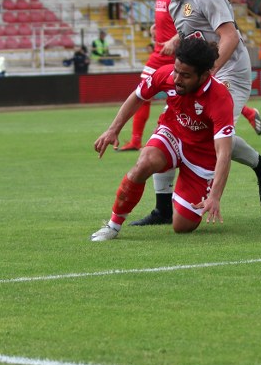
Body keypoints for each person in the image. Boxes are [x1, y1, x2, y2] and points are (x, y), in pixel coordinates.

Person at [131, 0, 261, 225]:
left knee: (215, 137)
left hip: (231, 70)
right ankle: (163, 208)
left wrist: (209, 74)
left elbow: (229, 37)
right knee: (171, 126)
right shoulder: (175, 4)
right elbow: (197, 36)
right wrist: (178, 41)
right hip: (206, 72)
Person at [90, 38, 235, 241]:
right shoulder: (166, 74)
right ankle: (113, 226)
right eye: (176, 70)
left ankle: (183, 195)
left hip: (202, 155)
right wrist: (113, 130)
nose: (176, 78)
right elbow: (138, 96)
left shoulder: (220, 97)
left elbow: (224, 153)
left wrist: (215, 196)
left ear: (204, 75)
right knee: (145, 162)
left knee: (182, 226)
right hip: (172, 133)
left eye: (185, 75)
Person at [119, 0, 261, 160]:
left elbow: (224, 34)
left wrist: (175, 43)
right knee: (172, 126)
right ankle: (161, 181)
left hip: (204, 63)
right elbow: (186, 27)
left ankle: (260, 165)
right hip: (180, 58)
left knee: (210, 132)